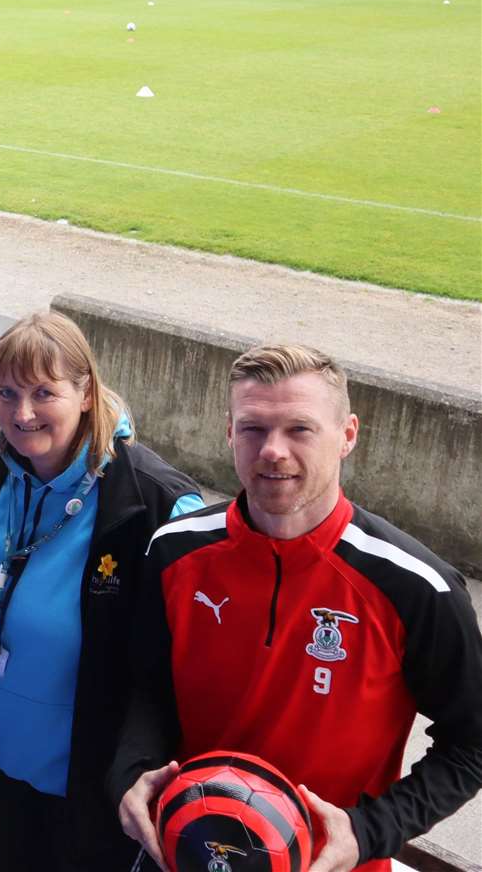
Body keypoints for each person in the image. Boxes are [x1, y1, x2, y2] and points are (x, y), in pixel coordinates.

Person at [114, 345, 482, 872]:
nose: (272, 451)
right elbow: (147, 688)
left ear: (348, 435)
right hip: (186, 852)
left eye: (300, 430)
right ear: (228, 432)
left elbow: (471, 745)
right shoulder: (174, 550)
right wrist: (132, 772)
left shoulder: (418, 588)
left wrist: (368, 831)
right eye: (253, 429)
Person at [0, 311, 204, 871]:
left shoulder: (154, 505)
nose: (22, 412)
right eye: (6, 393)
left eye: (44, 392)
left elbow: (175, 674)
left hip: (90, 790)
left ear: (86, 393)